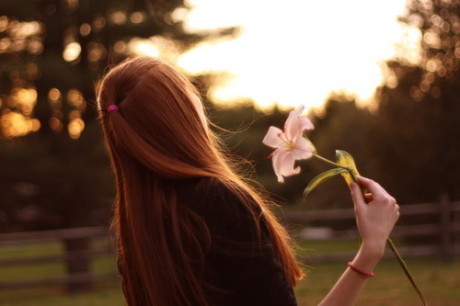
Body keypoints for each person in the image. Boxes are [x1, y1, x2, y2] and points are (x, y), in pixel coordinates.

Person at [96, 56, 400, 306]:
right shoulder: (218, 201)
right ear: (181, 115)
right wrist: (370, 249)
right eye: (191, 95)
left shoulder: (138, 227)